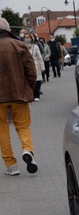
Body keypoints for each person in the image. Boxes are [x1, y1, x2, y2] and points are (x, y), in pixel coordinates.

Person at [0, 18, 38, 176]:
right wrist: (28, 88)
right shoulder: (20, 45)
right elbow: (32, 72)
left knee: (2, 130)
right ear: (8, 29)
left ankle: (11, 165)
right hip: (19, 95)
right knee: (23, 127)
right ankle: (27, 150)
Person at [23, 33, 45, 101]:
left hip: (36, 65)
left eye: (28, 37)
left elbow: (39, 57)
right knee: (28, 81)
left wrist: (42, 67)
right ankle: (30, 95)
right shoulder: (23, 46)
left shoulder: (35, 47)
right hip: (26, 66)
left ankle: (36, 95)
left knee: (37, 80)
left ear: (31, 38)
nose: (27, 39)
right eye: (25, 37)